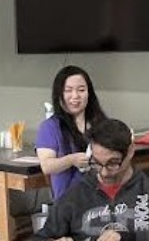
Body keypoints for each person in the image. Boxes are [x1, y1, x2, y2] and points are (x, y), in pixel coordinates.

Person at [32, 118, 149, 241]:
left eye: (113, 163)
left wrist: (129, 239)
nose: (104, 172)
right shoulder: (75, 196)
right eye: (96, 162)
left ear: (130, 152)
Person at [36, 65, 108, 199]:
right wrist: (71, 160)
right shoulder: (50, 127)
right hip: (69, 204)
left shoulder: (100, 123)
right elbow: (47, 166)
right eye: (68, 90)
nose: (75, 96)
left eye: (81, 90)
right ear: (59, 94)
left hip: (102, 199)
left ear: (89, 93)